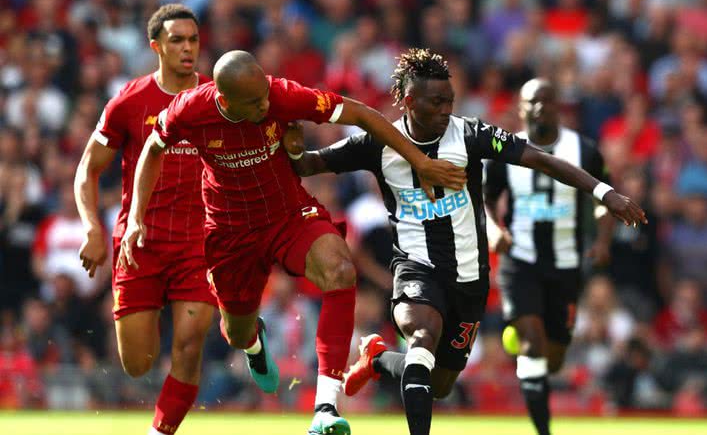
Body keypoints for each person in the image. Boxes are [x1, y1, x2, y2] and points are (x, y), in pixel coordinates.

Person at [282, 48, 646, 435]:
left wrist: (605, 193)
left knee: (439, 384)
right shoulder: (378, 142)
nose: (445, 109)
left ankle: (376, 359)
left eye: (449, 101)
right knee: (422, 337)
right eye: (436, 101)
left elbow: (541, 160)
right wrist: (288, 141)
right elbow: (310, 164)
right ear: (409, 101)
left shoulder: (471, 134)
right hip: (416, 266)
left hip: (470, 278)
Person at [119, 50, 465, 435]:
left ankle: (325, 408)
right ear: (224, 99)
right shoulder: (189, 109)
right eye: (255, 102)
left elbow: (362, 114)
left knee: (340, 269)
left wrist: (420, 161)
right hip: (230, 232)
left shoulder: (282, 95)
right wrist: (136, 217)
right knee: (236, 331)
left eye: (266, 94)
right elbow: (152, 148)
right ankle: (254, 344)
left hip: (287, 214)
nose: (267, 105)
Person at [73, 4, 215, 435]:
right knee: (139, 364)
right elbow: (86, 169)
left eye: (193, 39)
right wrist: (92, 228)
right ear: (156, 46)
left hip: (198, 243)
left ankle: (160, 430)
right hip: (140, 242)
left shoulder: (219, 97)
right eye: (177, 40)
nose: (188, 48)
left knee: (190, 346)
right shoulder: (130, 101)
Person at [483, 78, 616, 435]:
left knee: (553, 356)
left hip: (567, 264)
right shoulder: (504, 151)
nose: (541, 108)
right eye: (532, 101)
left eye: (548, 100)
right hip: (520, 260)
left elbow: (604, 201)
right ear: (521, 108)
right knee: (532, 343)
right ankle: (543, 431)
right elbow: (485, 198)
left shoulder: (584, 150)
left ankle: (535, 365)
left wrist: (602, 239)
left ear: (560, 106)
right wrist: (495, 230)